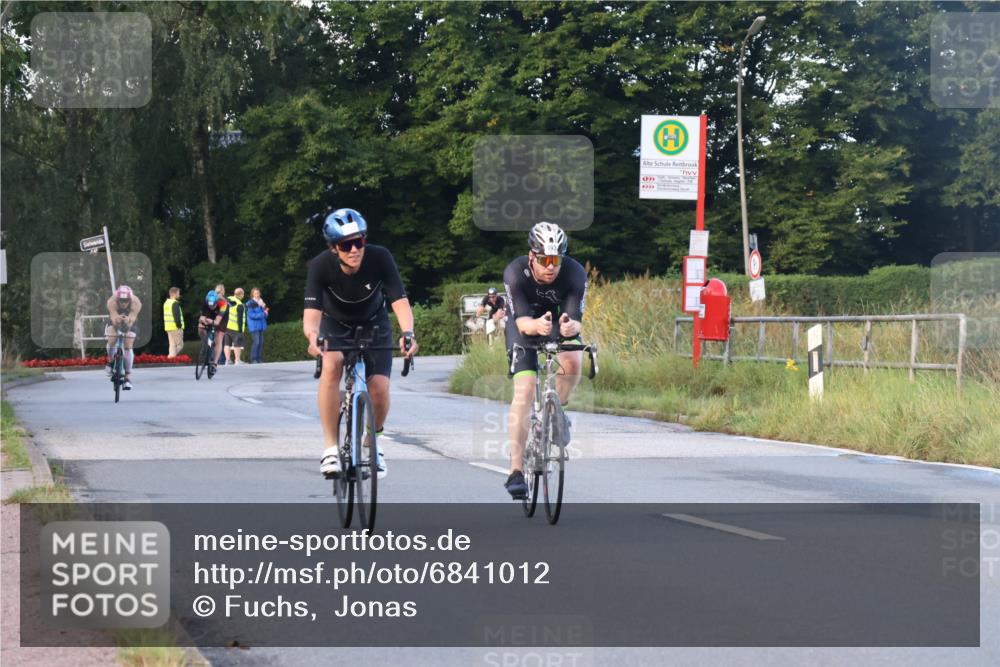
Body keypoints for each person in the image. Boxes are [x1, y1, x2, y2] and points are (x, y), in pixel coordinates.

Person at [303, 208, 419, 480]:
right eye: (346, 245)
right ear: (334, 248)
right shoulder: (320, 266)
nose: (355, 249)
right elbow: (311, 317)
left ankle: (374, 439)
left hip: (374, 323)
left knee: (379, 387)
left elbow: (399, 301)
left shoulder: (380, 257)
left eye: (360, 241)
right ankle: (330, 447)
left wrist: (408, 332)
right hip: (335, 325)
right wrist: (312, 339)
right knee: (331, 367)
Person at [501, 222, 587, 499]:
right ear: (532, 257)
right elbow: (522, 319)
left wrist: (571, 327)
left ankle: (556, 411)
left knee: (573, 360)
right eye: (544, 260)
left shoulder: (574, 272)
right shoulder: (515, 272)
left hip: (556, 324)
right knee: (524, 390)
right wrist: (533, 325)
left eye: (556, 260)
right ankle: (516, 471)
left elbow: (574, 318)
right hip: (523, 326)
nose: (551, 267)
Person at [105, 285, 142, 391]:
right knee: (111, 339)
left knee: (128, 344)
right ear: (117, 298)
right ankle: (111, 360)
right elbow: (113, 316)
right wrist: (117, 319)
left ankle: (127, 377)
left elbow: (133, 317)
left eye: (126, 301)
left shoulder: (136, 302)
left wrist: (127, 320)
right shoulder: (111, 301)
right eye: (121, 300)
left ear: (130, 299)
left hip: (130, 322)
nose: (123, 303)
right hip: (114, 320)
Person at [198, 290, 228, 370]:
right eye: (210, 306)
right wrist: (202, 320)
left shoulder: (222, 303)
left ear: (216, 301)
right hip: (210, 313)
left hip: (222, 316)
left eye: (213, 305)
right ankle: (206, 343)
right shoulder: (205, 302)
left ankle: (215, 363)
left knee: (219, 336)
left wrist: (213, 322)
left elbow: (217, 321)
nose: (212, 307)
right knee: (200, 327)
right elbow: (202, 316)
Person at [224, 287, 247, 365]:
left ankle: (227, 360)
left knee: (227, 344)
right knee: (237, 344)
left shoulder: (227, 300)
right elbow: (240, 319)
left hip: (226, 326)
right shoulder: (240, 305)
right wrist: (240, 330)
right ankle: (237, 360)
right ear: (241, 295)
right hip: (235, 328)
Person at [246, 287, 269, 363]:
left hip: (261, 325)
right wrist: (263, 314)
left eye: (258, 293)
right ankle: (253, 359)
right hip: (254, 326)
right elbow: (251, 315)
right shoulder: (250, 303)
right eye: (255, 293)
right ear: (252, 294)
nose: (257, 295)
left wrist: (266, 313)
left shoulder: (262, 303)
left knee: (261, 343)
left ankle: (259, 359)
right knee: (256, 342)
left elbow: (265, 315)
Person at [163, 287, 184, 357]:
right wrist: (179, 326)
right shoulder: (174, 303)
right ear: (174, 294)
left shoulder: (166, 303)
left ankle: (169, 358)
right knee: (180, 345)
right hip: (176, 327)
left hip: (168, 327)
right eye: (178, 293)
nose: (179, 295)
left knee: (172, 345)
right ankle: (172, 357)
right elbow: (176, 316)